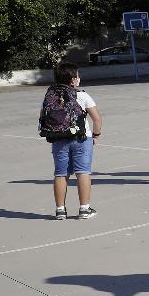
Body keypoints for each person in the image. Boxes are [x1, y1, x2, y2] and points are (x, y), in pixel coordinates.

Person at [42, 63, 102, 220]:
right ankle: (84, 209)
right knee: (83, 172)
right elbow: (97, 119)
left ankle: (60, 210)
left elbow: (43, 116)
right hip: (81, 138)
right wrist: (96, 135)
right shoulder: (82, 95)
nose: (78, 78)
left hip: (58, 139)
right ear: (73, 79)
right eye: (77, 76)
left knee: (61, 174)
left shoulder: (50, 96)